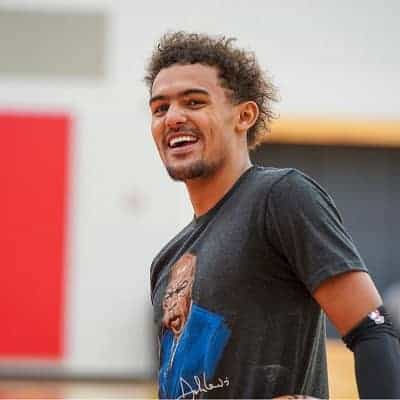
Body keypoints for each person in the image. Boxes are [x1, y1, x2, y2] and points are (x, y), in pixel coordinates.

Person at [145, 31, 400, 399]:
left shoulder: (279, 197)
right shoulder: (167, 262)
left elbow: (373, 329)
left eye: (194, 102)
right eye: (160, 108)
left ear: (244, 115)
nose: (172, 117)